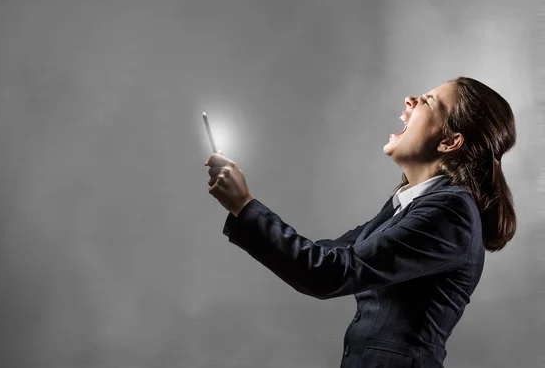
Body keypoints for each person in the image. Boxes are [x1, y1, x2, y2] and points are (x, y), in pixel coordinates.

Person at [203, 76, 517, 368]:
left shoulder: (451, 213)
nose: (410, 100)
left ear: (450, 142)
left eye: (429, 102)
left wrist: (245, 206)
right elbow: (324, 258)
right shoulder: (407, 206)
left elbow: (326, 273)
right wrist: (243, 208)